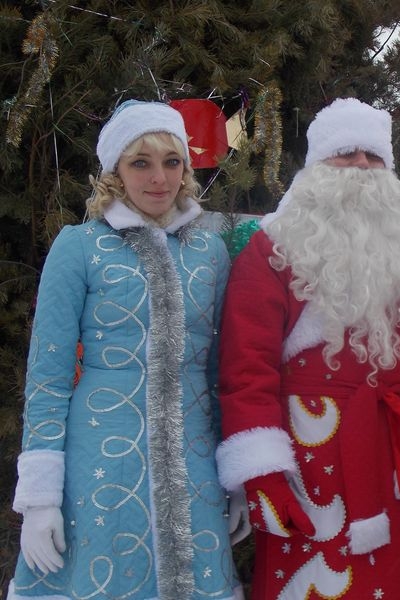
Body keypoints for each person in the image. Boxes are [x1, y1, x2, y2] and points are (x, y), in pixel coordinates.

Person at [215, 97, 400, 599]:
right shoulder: (271, 250)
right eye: (346, 153)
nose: (360, 165)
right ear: (318, 167)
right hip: (308, 463)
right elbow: (247, 371)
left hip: (397, 464)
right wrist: (264, 471)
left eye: (373, 156)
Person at [9, 100, 245, 600]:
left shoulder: (211, 253)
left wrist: (236, 474)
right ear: (116, 170)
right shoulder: (79, 246)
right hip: (100, 463)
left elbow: (220, 373)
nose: (159, 178)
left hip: (195, 465)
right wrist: (40, 497)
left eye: (172, 161)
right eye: (141, 163)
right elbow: (48, 376)